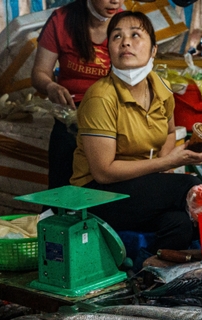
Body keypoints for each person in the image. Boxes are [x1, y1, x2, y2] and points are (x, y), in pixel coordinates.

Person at [72, 11, 202, 254]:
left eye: (135, 35)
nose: (126, 42)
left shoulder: (161, 89)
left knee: (180, 224)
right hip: (96, 195)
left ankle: (149, 276)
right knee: (190, 185)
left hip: (138, 188)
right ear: (109, 50)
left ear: (154, 50)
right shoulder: (100, 97)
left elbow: (168, 133)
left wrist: (166, 161)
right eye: (116, 37)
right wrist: (165, 163)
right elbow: (103, 172)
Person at [32, 0, 121, 190]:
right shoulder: (61, 20)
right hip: (71, 112)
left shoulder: (124, 24)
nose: (116, 1)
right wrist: (50, 86)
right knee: (62, 183)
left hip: (111, 112)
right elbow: (39, 73)